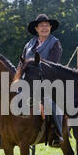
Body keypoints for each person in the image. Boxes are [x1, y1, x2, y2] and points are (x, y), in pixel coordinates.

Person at [22, 14, 64, 147]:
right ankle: (3, 131)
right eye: (41, 25)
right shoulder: (29, 44)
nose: (44, 28)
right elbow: (21, 64)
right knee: (7, 99)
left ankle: (58, 133)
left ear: (51, 27)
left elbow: (53, 65)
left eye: (47, 25)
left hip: (48, 82)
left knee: (51, 103)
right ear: (36, 28)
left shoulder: (55, 43)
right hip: (28, 83)